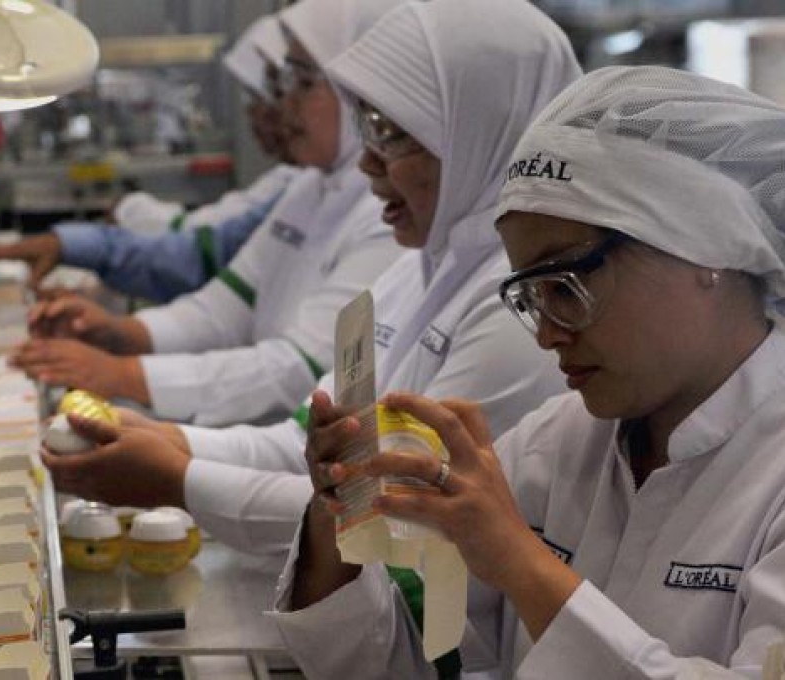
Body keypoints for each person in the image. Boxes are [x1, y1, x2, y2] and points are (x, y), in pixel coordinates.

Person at [273, 64, 785, 678]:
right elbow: (407, 665)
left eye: (566, 285)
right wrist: (340, 513)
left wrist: (521, 561)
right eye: (531, 298)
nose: (546, 334)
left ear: (706, 245)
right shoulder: (560, 443)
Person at [39, 0, 579, 570]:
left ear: (478, 132)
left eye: (394, 134)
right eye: (368, 127)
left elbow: (390, 512)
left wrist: (181, 478)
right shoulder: (423, 269)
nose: (368, 164)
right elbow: (309, 442)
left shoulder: (519, 308)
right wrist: (168, 439)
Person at [9, 0, 407, 428]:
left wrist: (124, 374)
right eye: (281, 83)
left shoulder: (387, 215)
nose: (284, 106)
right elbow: (226, 306)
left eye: (303, 82)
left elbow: (300, 368)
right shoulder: (311, 186)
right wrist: (121, 334)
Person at [0, 14, 299, 302]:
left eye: (266, 98)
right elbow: (206, 243)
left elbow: (199, 252)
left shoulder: (306, 189)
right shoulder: (298, 184)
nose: (258, 116)